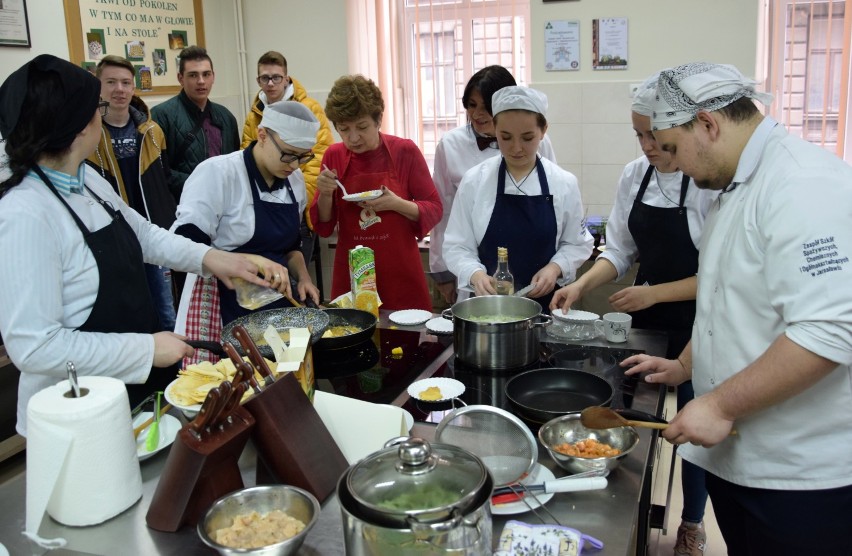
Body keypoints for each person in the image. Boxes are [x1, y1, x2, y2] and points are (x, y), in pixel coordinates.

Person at [623, 62, 852, 555]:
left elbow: (833, 329)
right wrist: (685, 364)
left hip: (801, 475)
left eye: (671, 147)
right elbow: (729, 298)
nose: (671, 162)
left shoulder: (802, 184)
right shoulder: (735, 187)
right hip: (742, 459)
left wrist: (722, 404)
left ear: (707, 123)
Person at [0, 54, 288, 436]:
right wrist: (145, 350)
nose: (100, 117)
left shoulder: (85, 180)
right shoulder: (25, 213)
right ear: (74, 127)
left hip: (130, 391)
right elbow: (35, 348)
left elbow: (146, 235)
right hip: (75, 415)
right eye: (96, 108)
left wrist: (218, 260)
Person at [550, 74, 718, 555]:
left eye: (655, 136)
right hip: (647, 325)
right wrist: (580, 282)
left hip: (699, 325)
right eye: (638, 135)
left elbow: (721, 276)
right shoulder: (634, 175)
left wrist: (654, 294)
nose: (647, 146)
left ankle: (691, 521)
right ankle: (628, 503)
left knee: (693, 423)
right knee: (635, 415)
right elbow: (620, 250)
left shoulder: (705, 179)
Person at [172, 101, 321, 358]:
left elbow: (290, 247)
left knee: (283, 382)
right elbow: (182, 245)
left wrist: (304, 278)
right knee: (234, 389)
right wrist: (253, 260)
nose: (295, 165)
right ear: (262, 135)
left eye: (303, 156)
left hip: (277, 307)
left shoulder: (293, 182)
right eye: (288, 154)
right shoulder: (218, 174)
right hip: (224, 306)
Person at [442, 86, 593, 311]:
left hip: (545, 307)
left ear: (543, 131)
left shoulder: (563, 183)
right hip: (487, 308)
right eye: (506, 137)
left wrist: (555, 267)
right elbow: (456, 245)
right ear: (494, 129)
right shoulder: (475, 181)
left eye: (527, 137)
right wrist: (475, 274)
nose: (516, 148)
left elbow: (576, 244)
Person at [311, 75, 442, 311]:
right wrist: (326, 194)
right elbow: (324, 224)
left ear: (378, 119)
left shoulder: (405, 151)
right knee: (353, 338)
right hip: (352, 274)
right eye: (344, 129)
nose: (353, 138)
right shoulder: (333, 156)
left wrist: (396, 204)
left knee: (407, 343)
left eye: (361, 127)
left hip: (400, 273)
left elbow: (434, 208)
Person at [429, 65, 556, 305]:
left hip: (535, 271)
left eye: (486, 106)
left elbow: (552, 194)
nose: (478, 114)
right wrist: (443, 270)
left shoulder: (540, 141)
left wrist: (557, 266)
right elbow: (443, 212)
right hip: (474, 270)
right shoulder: (450, 145)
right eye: (472, 105)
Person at [86, 54, 179, 332]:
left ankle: (175, 372)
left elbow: (163, 181)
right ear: (98, 86)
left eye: (126, 82)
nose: (120, 89)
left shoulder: (152, 131)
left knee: (166, 312)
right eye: (111, 82)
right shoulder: (89, 134)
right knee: (129, 316)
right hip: (115, 239)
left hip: (151, 233)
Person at [242, 51, 333, 272]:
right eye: (265, 78)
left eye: (276, 77)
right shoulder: (255, 114)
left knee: (296, 275)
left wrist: (301, 207)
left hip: (297, 208)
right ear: (258, 81)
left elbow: (317, 160)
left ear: (287, 78)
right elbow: (247, 158)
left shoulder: (308, 108)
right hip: (262, 207)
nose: (271, 83)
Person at [151, 45, 239, 203]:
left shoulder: (226, 117)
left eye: (206, 74)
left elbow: (235, 164)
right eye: (193, 75)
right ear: (180, 78)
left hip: (222, 204)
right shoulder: (161, 115)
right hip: (182, 205)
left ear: (213, 76)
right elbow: (158, 171)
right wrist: (202, 183)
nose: (201, 81)